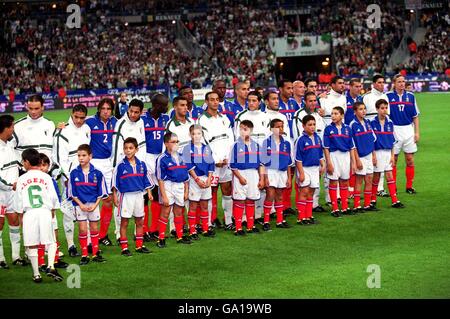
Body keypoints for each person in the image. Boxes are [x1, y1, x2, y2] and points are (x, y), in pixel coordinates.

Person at [14, 148, 62, 283]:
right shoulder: (46, 177)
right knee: (50, 241)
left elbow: (18, 201)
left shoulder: (21, 179)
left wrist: (20, 217)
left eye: (23, 161)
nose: (23, 164)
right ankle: (51, 266)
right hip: (44, 211)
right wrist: (52, 212)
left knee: (31, 244)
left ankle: (36, 274)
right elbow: (53, 197)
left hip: (29, 213)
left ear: (27, 162)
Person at [52, 104, 90, 257]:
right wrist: (69, 178)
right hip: (69, 178)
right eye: (76, 117)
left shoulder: (87, 129)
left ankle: (87, 242)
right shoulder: (63, 131)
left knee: (86, 207)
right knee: (69, 211)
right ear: (72, 114)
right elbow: (60, 159)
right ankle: (71, 244)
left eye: (82, 118)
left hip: (85, 175)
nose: (79, 121)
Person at [197, 92, 235, 230]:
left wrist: (228, 157)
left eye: (217, 100)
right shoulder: (201, 120)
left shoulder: (224, 117)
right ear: (206, 101)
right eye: (212, 100)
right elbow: (202, 142)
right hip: (213, 162)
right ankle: (208, 222)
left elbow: (230, 138)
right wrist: (213, 160)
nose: (215, 102)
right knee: (210, 191)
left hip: (226, 161)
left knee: (227, 189)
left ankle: (228, 221)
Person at [111, 98, 147, 243]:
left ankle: (136, 234)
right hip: (123, 167)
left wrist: (142, 166)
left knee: (138, 203)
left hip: (137, 167)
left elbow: (142, 145)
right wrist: (116, 169)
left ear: (141, 112)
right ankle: (119, 232)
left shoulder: (141, 122)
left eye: (136, 112)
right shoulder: (121, 123)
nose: (133, 114)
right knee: (121, 202)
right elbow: (116, 148)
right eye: (131, 111)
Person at [112, 137, 154, 256]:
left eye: (131, 148)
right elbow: (114, 183)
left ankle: (139, 246)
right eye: (126, 148)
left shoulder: (142, 164)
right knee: (124, 222)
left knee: (139, 221)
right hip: (126, 196)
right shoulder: (120, 166)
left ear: (136, 149)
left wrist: (149, 193)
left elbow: (146, 180)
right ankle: (124, 248)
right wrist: (115, 196)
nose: (128, 151)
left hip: (139, 196)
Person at [68, 144, 108, 264]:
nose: (81, 158)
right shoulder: (74, 173)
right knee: (82, 229)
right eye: (79, 155)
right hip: (80, 206)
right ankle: (84, 255)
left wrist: (95, 205)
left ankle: (95, 253)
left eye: (84, 155)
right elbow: (71, 193)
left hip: (93, 205)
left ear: (90, 156)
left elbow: (101, 192)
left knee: (94, 228)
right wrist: (81, 204)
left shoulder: (98, 173)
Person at [85, 98, 117, 247]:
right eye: (103, 108)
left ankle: (103, 234)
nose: (105, 111)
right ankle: (92, 237)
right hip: (94, 163)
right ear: (98, 109)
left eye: (108, 109)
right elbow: (74, 125)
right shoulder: (90, 122)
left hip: (109, 163)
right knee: (92, 200)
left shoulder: (115, 122)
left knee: (108, 200)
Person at [0, 115, 28, 269]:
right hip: (2, 192)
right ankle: (0, 258)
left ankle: (16, 256)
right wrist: (11, 185)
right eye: (12, 127)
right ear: (6, 128)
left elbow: (18, 165)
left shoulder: (9, 145)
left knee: (14, 221)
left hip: (12, 192)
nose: (13, 130)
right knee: (0, 223)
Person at [142, 93, 170, 241]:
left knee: (158, 194)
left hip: (160, 158)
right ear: (155, 105)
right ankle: (143, 230)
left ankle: (154, 229)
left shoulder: (166, 119)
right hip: (147, 158)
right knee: (145, 195)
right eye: (163, 104)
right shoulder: (142, 119)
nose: (166, 107)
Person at [229, 120, 265, 236]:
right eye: (241, 129)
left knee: (251, 199)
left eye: (245, 129)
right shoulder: (235, 145)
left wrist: (261, 179)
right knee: (239, 200)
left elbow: (261, 164)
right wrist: (239, 177)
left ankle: (250, 225)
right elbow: (232, 165)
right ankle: (238, 228)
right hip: (241, 174)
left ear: (251, 131)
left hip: (253, 174)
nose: (242, 131)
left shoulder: (256, 146)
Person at [155, 132, 191, 248]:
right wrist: (164, 195)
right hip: (168, 186)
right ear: (166, 144)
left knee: (179, 211)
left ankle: (180, 236)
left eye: (177, 141)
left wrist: (186, 191)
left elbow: (186, 176)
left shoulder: (182, 157)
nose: (176, 144)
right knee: (165, 212)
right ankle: (161, 238)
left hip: (180, 186)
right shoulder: (162, 158)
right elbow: (160, 179)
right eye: (173, 142)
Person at [292, 92, 326, 213]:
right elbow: (297, 136)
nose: (312, 103)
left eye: (314, 101)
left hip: (316, 155)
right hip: (305, 157)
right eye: (310, 101)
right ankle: (301, 212)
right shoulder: (299, 114)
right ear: (305, 102)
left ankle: (312, 208)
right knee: (304, 188)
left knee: (313, 187)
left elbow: (321, 133)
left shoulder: (318, 115)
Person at [387, 74, 420, 194]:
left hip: (408, 130)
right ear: (394, 83)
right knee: (393, 159)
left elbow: (415, 116)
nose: (402, 84)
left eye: (403, 81)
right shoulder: (388, 96)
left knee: (410, 159)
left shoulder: (410, 96)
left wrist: (416, 132)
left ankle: (409, 186)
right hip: (394, 130)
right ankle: (393, 186)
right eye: (399, 82)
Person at [370, 99, 405, 209]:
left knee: (389, 176)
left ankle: (395, 200)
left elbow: (393, 141)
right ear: (377, 109)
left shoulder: (390, 122)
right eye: (382, 108)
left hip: (387, 153)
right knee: (376, 177)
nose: (384, 110)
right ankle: (372, 200)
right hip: (377, 152)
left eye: (386, 108)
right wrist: (373, 155)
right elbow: (370, 141)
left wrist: (392, 156)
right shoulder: (372, 123)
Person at [182, 125, 215, 239]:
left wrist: (209, 178)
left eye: (199, 134)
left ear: (202, 134)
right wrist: (197, 179)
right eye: (194, 134)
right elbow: (188, 166)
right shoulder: (187, 149)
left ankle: (205, 229)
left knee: (205, 205)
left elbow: (211, 163)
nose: (196, 136)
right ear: (190, 135)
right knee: (193, 206)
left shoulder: (206, 148)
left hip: (206, 180)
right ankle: (192, 230)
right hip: (195, 180)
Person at [37, 153, 68, 271]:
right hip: (39, 213)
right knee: (39, 237)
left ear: (48, 167)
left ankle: (55, 260)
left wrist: (54, 209)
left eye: (44, 165)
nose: (42, 168)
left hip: (51, 213)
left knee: (54, 235)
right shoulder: (34, 181)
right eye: (39, 165)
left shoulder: (51, 180)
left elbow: (57, 195)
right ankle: (41, 263)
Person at [323, 107, 356, 217]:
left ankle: (345, 207)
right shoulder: (328, 129)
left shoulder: (347, 129)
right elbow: (326, 148)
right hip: (334, 156)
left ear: (342, 116)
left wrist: (353, 162)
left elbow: (351, 147)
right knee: (333, 182)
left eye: (336, 113)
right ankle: (335, 208)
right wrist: (329, 163)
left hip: (345, 157)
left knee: (344, 181)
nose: (333, 116)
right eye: (332, 113)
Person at [261, 119, 293, 231]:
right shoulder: (266, 143)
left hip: (282, 172)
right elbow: (263, 162)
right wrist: (264, 177)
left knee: (280, 195)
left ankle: (280, 220)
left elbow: (289, 162)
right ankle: (266, 221)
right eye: (277, 127)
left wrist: (289, 177)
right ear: (271, 128)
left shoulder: (286, 143)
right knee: (270, 195)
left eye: (282, 126)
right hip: (271, 171)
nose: (280, 129)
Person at [295, 115, 325, 225]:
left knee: (311, 192)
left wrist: (323, 164)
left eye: (313, 124)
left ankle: (309, 215)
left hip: (315, 168)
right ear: (303, 126)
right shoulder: (301, 140)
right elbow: (298, 158)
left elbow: (320, 153)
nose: (312, 127)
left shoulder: (317, 137)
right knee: (304, 191)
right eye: (309, 125)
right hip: (305, 168)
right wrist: (301, 173)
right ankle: (301, 217)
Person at [362, 75, 390, 197]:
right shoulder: (366, 97)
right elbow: (360, 113)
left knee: (382, 161)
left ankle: (380, 188)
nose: (382, 85)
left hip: (382, 131)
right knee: (370, 162)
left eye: (383, 82)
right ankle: (366, 189)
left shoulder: (385, 96)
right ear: (373, 84)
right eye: (379, 82)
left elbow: (388, 115)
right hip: (370, 132)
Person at [10, 95, 55, 166]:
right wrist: (20, 166)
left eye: (36, 108)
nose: (33, 112)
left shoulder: (50, 124)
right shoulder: (17, 126)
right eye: (30, 108)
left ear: (42, 107)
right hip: (25, 172)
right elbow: (8, 148)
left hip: (46, 171)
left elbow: (54, 149)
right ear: (27, 107)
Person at [349, 102, 377, 213]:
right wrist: (357, 160)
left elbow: (372, 139)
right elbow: (352, 144)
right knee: (359, 181)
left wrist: (374, 155)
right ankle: (356, 205)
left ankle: (367, 204)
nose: (363, 111)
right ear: (355, 111)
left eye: (364, 109)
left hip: (369, 155)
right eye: (360, 109)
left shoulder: (368, 123)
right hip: (360, 156)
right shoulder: (353, 125)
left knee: (369, 179)